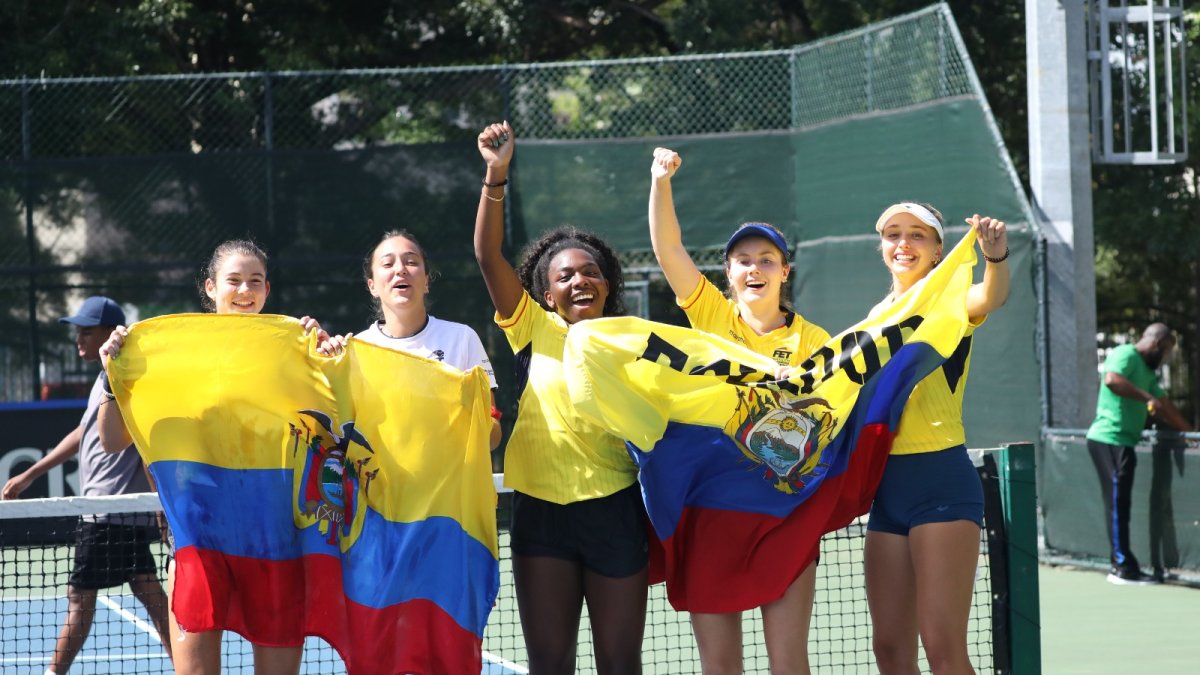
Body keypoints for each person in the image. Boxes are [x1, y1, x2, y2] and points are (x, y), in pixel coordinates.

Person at [98, 240, 332, 675]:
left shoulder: (293, 350)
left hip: (275, 541)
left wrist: (326, 358)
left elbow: (334, 423)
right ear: (210, 287)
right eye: (234, 280)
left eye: (256, 281)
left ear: (267, 290)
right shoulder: (165, 355)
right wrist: (113, 376)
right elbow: (112, 440)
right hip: (197, 544)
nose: (245, 290)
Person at [648, 147, 831, 674]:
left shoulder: (813, 339)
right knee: (721, 664)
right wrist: (661, 181)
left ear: (784, 272)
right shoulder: (709, 314)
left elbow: (823, 418)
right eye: (744, 261)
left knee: (789, 660)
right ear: (728, 272)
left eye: (766, 260)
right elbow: (668, 249)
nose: (755, 269)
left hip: (784, 511)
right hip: (710, 510)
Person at [474, 121, 648, 674]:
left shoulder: (637, 341)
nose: (580, 280)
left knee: (620, 664)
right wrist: (495, 174)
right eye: (566, 275)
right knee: (551, 665)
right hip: (540, 515)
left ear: (606, 286)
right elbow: (486, 253)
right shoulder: (533, 328)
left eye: (590, 272)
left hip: (616, 512)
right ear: (546, 293)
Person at [864, 203, 1008, 675]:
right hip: (887, 492)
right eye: (893, 234)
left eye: (917, 235)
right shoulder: (876, 316)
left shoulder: (950, 299)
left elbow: (989, 297)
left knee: (943, 650)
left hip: (940, 484)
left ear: (938, 249)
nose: (903, 243)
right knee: (889, 650)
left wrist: (995, 257)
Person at [1, 295, 173, 674]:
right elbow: (83, 432)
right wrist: (32, 473)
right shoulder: (104, 377)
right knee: (149, 592)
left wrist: (160, 505)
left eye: (87, 331)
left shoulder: (125, 379)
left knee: (81, 599)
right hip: (109, 511)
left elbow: (145, 444)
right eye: (77, 331)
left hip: (108, 512)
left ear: (111, 334)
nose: (78, 339)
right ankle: (189, 666)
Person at [325, 229, 502, 449]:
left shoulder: (462, 338)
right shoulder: (355, 351)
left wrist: (464, 415)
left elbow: (493, 437)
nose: (400, 270)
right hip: (382, 483)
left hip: (450, 482)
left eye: (411, 262)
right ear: (372, 286)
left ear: (427, 281)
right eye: (387, 264)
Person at [1085, 323, 1193, 585]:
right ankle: (1122, 568)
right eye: (1166, 352)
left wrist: (1191, 434)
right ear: (1156, 344)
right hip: (1108, 440)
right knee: (1117, 504)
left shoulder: (1147, 372)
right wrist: (1146, 398)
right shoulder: (1125, 354)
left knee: (1121, 504)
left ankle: (1123, 563)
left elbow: (1165, 405)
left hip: (1125, 443)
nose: (1166, 358)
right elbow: (1112, 380)